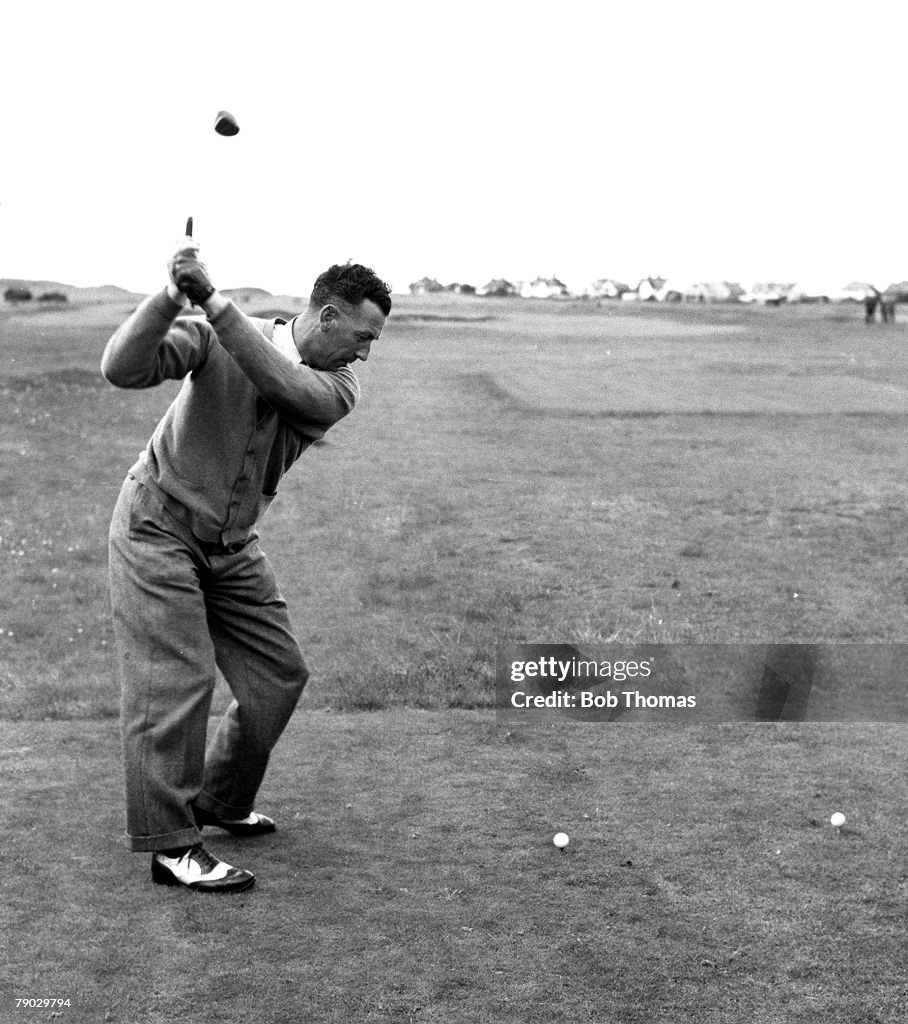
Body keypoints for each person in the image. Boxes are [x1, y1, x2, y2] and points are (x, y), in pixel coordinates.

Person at [102, 233, 391, 892]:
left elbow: (282, 381)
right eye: (363, 335)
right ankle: (172, 846)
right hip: (155, 526)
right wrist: (173, 296)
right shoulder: (212, 337)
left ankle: (218, 801)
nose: (366, 353)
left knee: (277, 675)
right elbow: (120, 368)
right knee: (173, 681)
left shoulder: (336, 386)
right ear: (326, 317)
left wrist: (215, 304)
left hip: (231, 544)